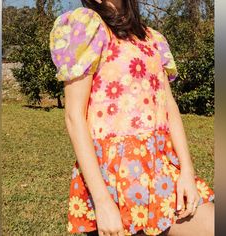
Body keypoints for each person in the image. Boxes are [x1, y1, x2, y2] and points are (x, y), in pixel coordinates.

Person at [49, 0, 215, 235]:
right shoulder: (87, 26)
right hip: (114, 176)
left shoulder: (151, 37)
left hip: (162, 167)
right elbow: (74, 116)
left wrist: (187, 171)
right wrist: (103, 201)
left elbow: (170, 107)